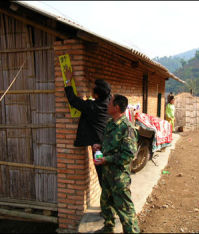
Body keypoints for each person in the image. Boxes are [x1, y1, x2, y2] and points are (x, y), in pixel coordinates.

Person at [93, 94, 140, 233]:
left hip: (119, 177)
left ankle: (132, 231)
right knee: (106, 203)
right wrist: (99, 146)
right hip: (107, 174)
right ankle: (108, 227)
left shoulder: (127, 128)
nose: (107, 105)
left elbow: (128, 155)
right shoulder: (110, 123)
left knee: (125, 208)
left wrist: (106, 159)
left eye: (110, 103)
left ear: (117, 107)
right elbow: (109, 144)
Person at [64, 67, 111, 186]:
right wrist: (91, 79)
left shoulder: (92, 107)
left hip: (98, 148)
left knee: (101, 174)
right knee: (109, 174)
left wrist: (68, 81)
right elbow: (105, 89)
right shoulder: (109, 101)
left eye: (92, 90)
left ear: (96, 95)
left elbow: (73, 101)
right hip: (109, 143)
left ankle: (107, 202)